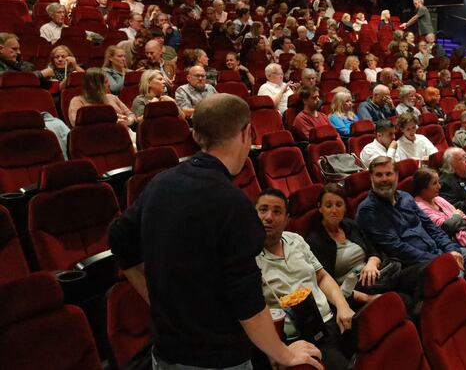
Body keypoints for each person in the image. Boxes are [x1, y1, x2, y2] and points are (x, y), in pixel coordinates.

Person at [109, 94, 322, 369]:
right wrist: (284, 353)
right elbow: (246, 300)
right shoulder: (233, 204)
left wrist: (155, 297)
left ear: (196, 135)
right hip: (218, 358)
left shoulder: (159, 183)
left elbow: (119, 239)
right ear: (247, 132)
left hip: (166, 352)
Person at [255, 189, 353, 370]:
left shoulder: (296, 240)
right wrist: (277, 350)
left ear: (287, 219)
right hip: (297, 337)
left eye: (277, 211)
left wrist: (342, 305)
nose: (268, 217)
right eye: (263, 209)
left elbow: (322, 276)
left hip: (329, 319)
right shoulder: (246, 257)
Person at [356, 156, 463, 269]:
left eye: (388, 174)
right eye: (378, 175)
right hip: (416, 266)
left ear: (396, 175)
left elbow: (431, 227)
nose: (384, 179)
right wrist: (440, 260)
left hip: (438, 252)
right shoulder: (368, 210)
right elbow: (396, 249)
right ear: (371, 178)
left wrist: (451, 249)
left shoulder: (405, 197)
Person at [306, 185, 385, 306]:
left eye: (339, 205)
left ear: (345, 208)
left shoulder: (350, 225)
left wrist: (371, 264)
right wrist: (368, 298)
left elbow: (374, 252)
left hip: (376, 276)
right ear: (320, 208)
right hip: (354, 293)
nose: (334, 210)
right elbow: (329, 285)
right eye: (328, 205)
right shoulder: (315, 241)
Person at [412, 167, 466, 248]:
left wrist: (454, 223)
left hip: (463, 239)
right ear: (423, 188)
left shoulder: (438, 199)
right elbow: (445, 227)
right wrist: (457, 217)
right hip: (446, 246)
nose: (439, 186)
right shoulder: (420, 207)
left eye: (438, 182)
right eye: (434, 183)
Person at [68, 67, 135, 129]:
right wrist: (114, 121)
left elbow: (131, 115)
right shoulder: (77, 101)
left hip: (123, 132)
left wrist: (128, 121)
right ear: (94, 85)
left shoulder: (112, 97)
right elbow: (76, 123)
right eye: (105, 82)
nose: (109, 84)